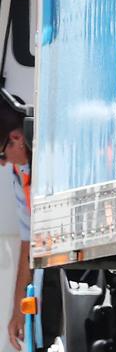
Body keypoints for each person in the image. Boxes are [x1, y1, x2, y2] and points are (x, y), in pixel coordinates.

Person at [2, 105, 30, 352]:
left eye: (1, 156)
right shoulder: (20, 172)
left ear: (17, 138)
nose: (3, 164)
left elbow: (29, 242)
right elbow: (27, 240)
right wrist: (18, 310)